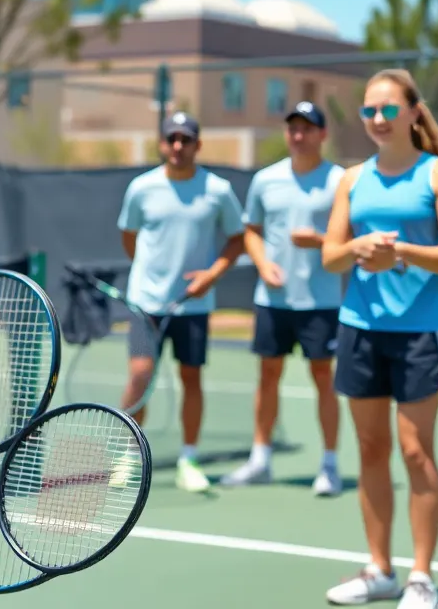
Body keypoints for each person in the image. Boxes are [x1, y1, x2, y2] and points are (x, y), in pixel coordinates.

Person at [320, 69, 438, 609]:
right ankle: (380, 569)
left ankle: (422, 577)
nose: (378, 119)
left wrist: (401, 253)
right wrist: (360, 246)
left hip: (420, 334)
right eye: (369, 111)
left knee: (415, 451)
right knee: (370, 449)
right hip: (360, 329)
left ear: (413, 112)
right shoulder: (352, 179)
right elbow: (331, 255)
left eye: (388, 109)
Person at [220, 101, 345, 496]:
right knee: (268, 376)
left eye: (307, 128)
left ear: (322, 135)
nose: (298, 134)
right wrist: (262, 264)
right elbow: (251, 231)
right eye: (293, 127)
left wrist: (322, 241)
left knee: (324, 378)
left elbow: (352, 238)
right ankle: (261, 460)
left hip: (321, 301)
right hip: (272, 301)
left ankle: (329, 465)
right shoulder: (266, 180)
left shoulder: (342, 181)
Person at [116, 111, 245, 493]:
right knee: (140, 375)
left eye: (185, 139)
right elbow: (130, 238)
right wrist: (150, 275)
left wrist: (211, 275)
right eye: (171, 138)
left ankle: (189, 457)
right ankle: (128, 454)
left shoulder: (218, 190)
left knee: (192, 378)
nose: (178, 146)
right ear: (162, 144)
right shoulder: (141, 188)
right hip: (145, 304)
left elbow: (236, 239)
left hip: (193, 306)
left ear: (197, 145)